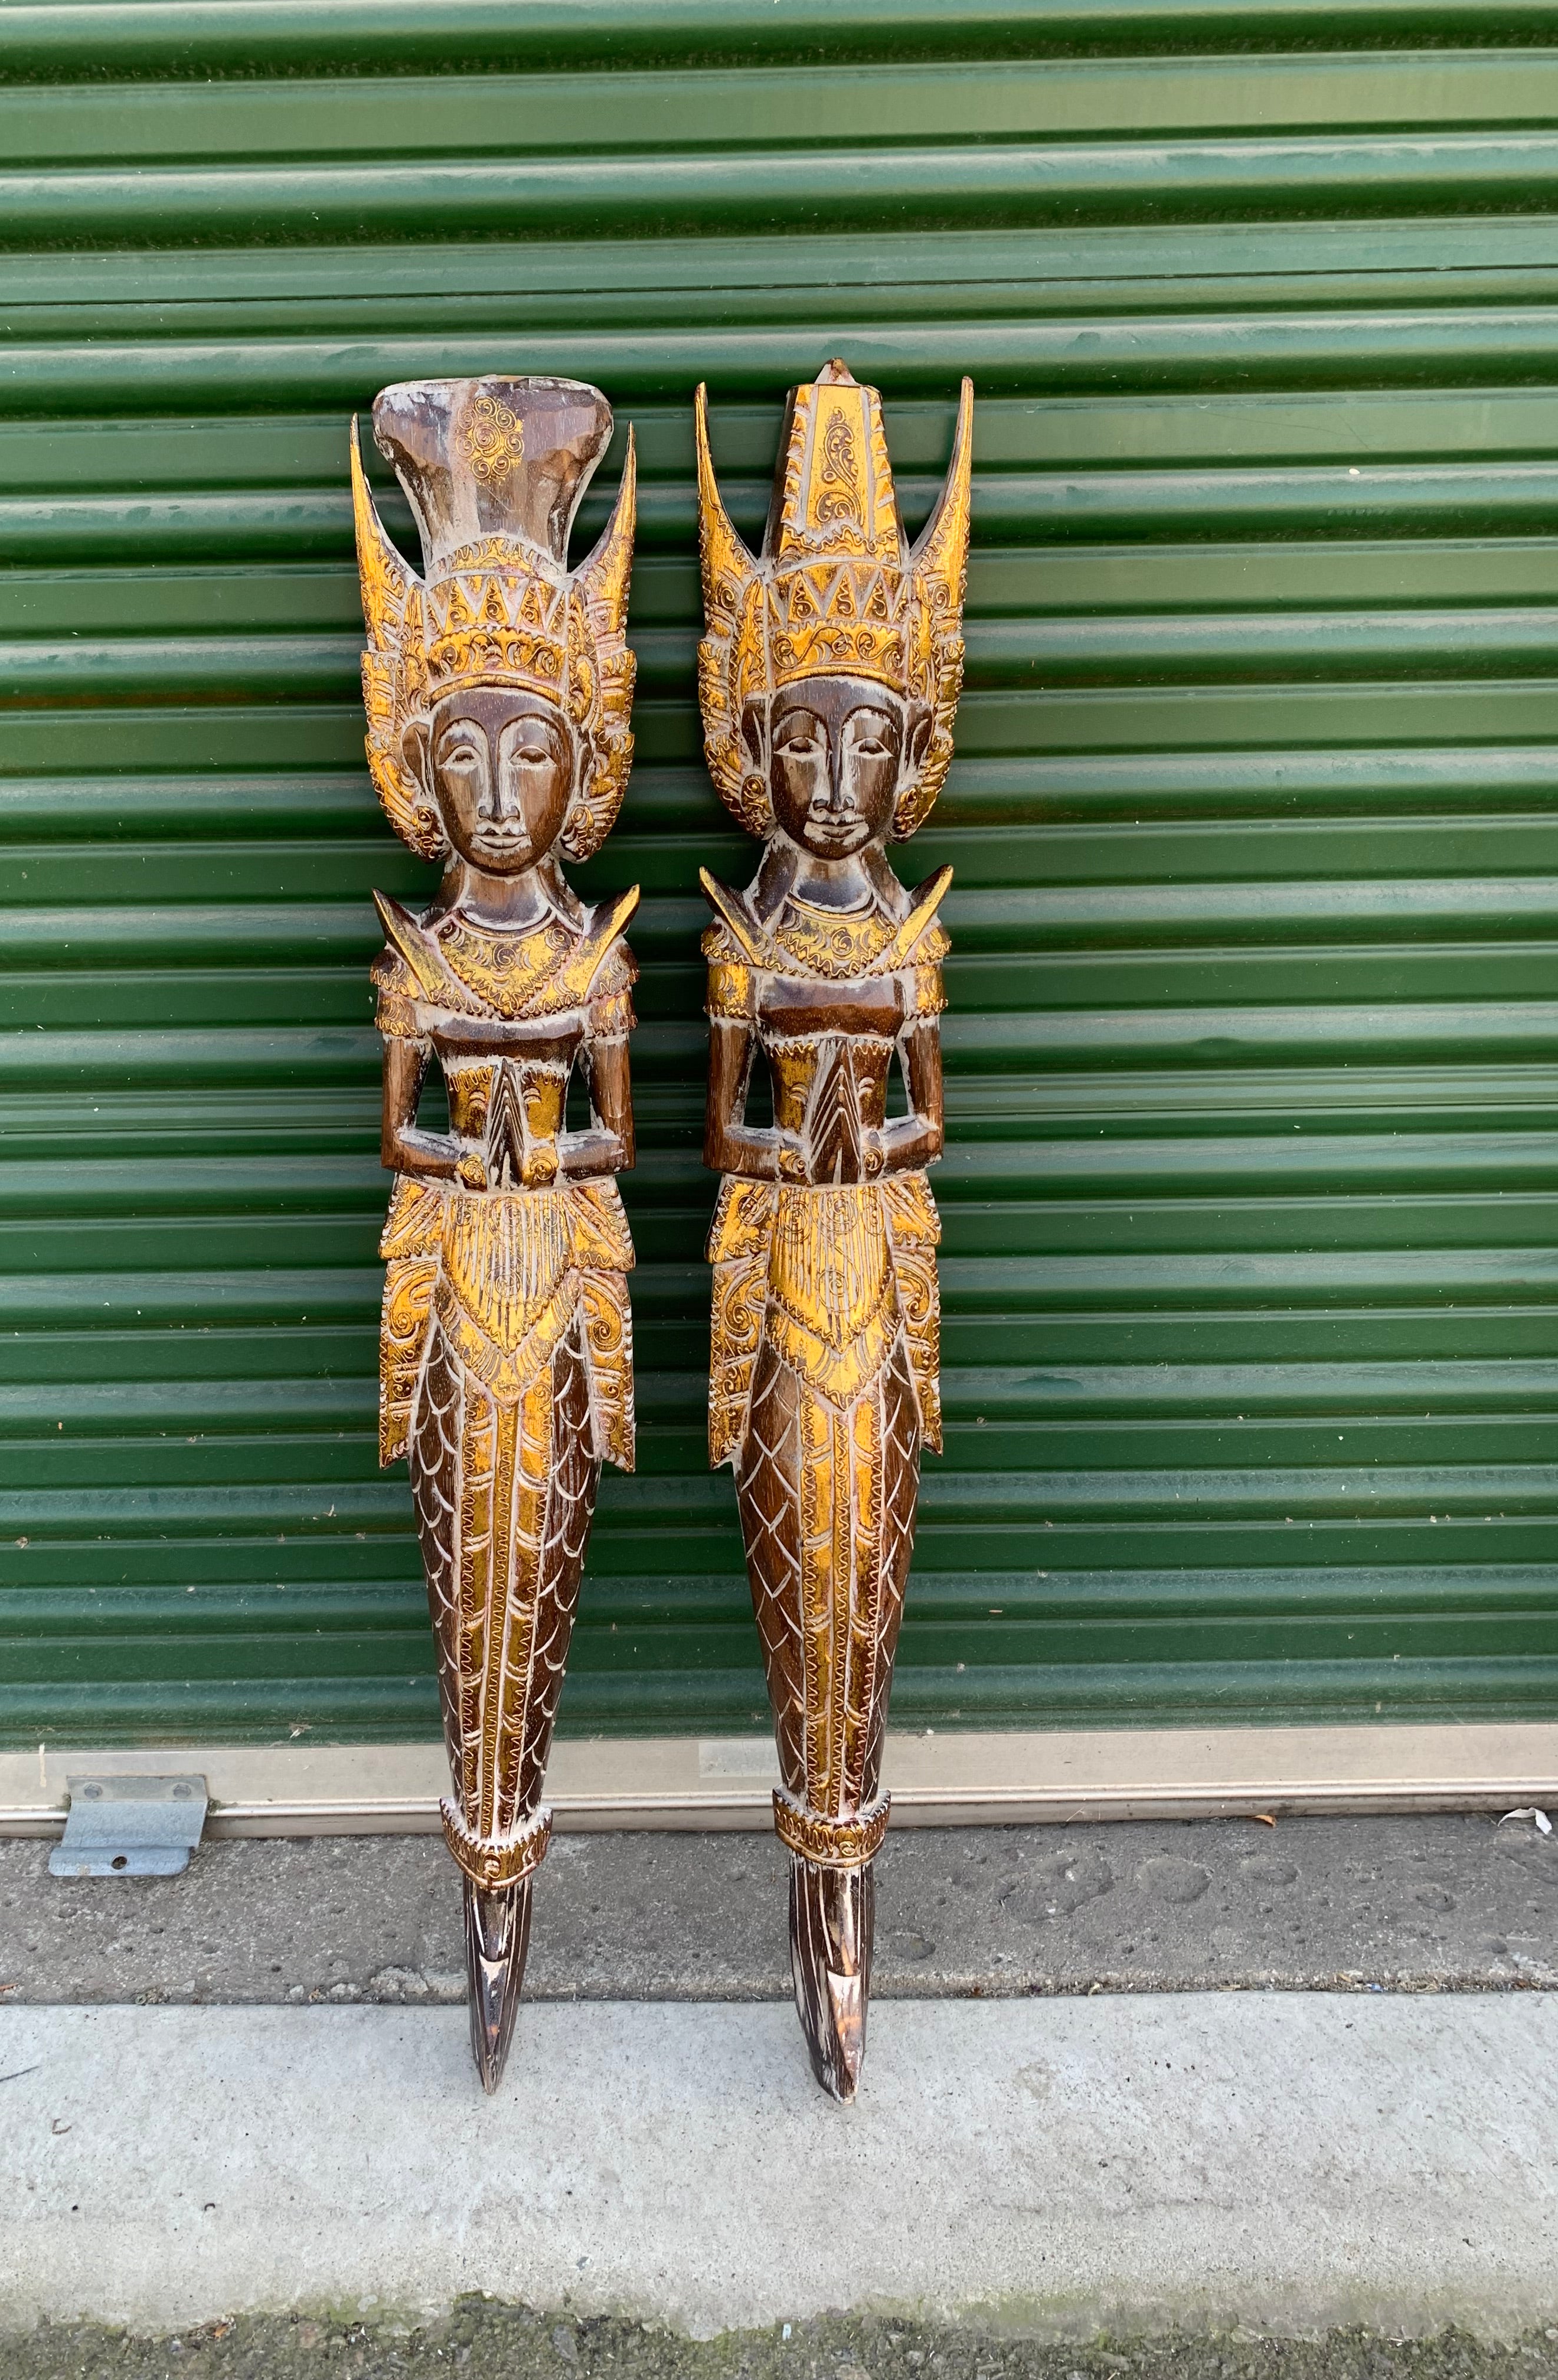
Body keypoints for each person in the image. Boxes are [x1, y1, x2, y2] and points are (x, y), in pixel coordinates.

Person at [355, 375, 639, 2091]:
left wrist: (541, 1102)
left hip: (561, 1260)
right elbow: (395, 1120)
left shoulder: (597, 954)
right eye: (462, 747)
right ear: (414, 762)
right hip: (459, 1266)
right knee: (474, 1558)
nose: (498, 782)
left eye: (531, 744)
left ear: (583, 764)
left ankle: (511, 1873)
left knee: (543, 1538)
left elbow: (619, 1126)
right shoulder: (424, 952)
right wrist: (475, 1128)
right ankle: (487, 1862)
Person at [695, 359, 972, 2100]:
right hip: (779, 1259)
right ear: (756, 745)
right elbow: (719, 1116)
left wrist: (877, 1131)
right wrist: (790, 1143)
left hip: (884, 1259)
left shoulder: (908, 935)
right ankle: (817, 1869)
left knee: (868, 1558)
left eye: (867, 734)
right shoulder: (742, 935)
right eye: (805, 731)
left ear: (915, 747)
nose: (836, 769)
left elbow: (939, 1107)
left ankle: (846, 1868)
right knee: (798, 1532)